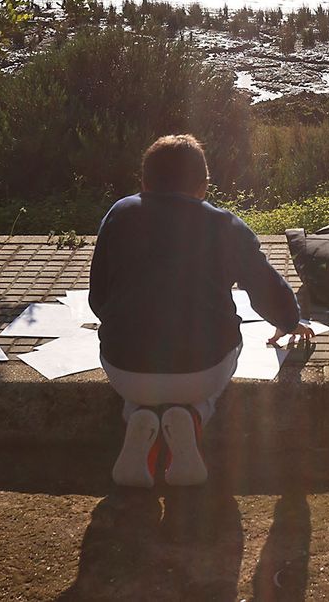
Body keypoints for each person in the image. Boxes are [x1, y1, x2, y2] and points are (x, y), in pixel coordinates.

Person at [90, 134, 313, 488]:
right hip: (201, 370)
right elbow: (264, 286)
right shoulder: (225, 225)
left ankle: (139, 417)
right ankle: (194, 415)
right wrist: (289, 320)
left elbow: (97, 298)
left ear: (144, 182)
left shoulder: (119, 214)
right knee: (224, 355)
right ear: (204, 185)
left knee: (142, 389)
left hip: (125, 368)